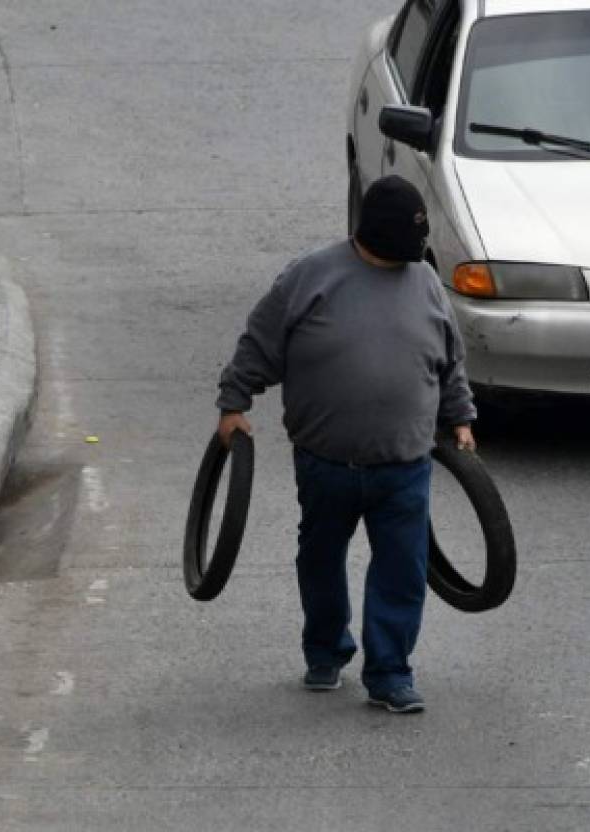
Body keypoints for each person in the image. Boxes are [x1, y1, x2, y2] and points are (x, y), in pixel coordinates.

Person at [215, 175, 476, 714]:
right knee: (320, 558)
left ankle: (390, 673)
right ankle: (326, 651)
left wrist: (461, 418)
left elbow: (449, 359)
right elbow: (259, 342)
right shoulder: (311, 277)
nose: (412, 258)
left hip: (404, 465)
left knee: (403, 569)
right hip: (326, 462)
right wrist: (234, 405)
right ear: (372, 234)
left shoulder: (423, 280)